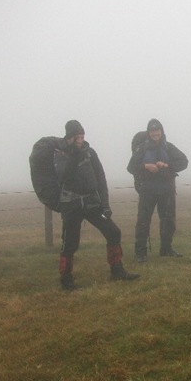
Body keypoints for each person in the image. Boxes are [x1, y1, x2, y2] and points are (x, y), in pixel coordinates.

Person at [54, 120, 139, 290]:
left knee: (113, 232)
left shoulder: (90, 153)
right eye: (76, 136)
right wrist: (74, 155)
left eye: (82, 136)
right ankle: (66, 279)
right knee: (70, 242)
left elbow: (100, 178)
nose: (80, 139)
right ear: (69, 137)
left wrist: (105, 205)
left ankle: (117, 270)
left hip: (92, 202)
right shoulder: (60, 154)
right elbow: (63, 176)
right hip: (71, 204)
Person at [127, 119, 189, 262]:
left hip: (166, 190)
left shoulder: (169, 147)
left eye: (157, 130)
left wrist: (167, 165)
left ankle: (166, 249)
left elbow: (184, 161)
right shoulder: (141, 148)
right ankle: (140, 253)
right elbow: (131, 167)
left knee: (168, 221)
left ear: (161, 131)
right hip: (147, 190)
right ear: (149, 133)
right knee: (143, 221)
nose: (155, 133)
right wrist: (146, 166)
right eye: (152, 131)